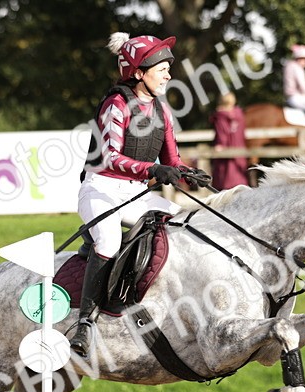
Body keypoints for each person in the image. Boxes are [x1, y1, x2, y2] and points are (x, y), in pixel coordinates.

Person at [73, 32, 209, 360]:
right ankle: (85, 323)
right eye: (161, 68)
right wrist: (152, 170)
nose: (168, 74)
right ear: (138, 73)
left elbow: (172, 162)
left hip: (135, 194)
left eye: (167, 68)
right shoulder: (116, 105)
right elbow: (109, 157)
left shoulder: (162, 111)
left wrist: (189, 175)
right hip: (101, 189)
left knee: (186, 228)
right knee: (108, 242)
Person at [209, 92, 249, 190]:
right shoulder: (240, 116)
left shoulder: (220, 117)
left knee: (224, 188)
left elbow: (221, 135)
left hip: (224, 157)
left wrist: (219, 147)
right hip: (239, 153)